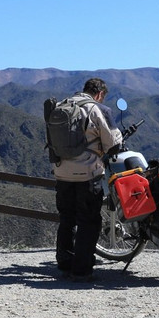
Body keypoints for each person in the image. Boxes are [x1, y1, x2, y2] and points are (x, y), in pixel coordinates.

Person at [52, 77, 123, 282]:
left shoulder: (61, 106)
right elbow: (112, 142)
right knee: (88, 220)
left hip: (61, 173)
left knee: (66, 218)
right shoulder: (97, 109)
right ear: (100, 94)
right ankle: (82, 271)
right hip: (87, 174)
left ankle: (65, 264)